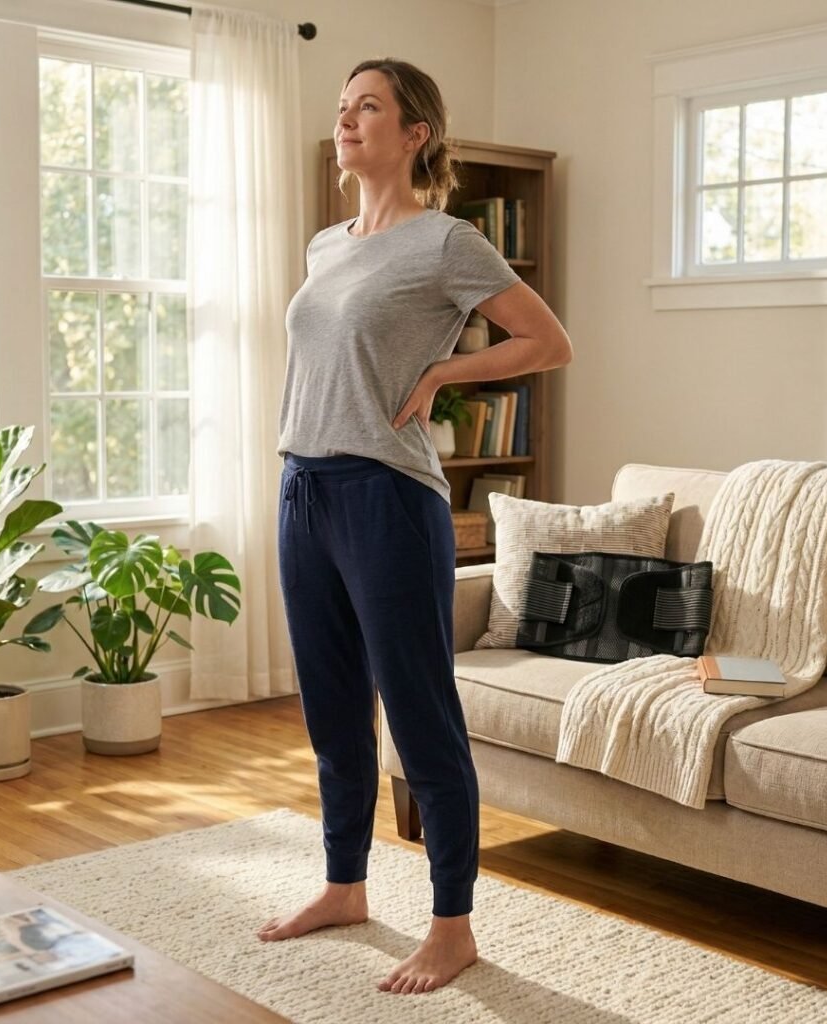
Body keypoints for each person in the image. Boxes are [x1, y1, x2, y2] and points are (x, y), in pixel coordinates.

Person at [261, 57, 573, 995]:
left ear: (414, 134)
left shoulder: (447, 243)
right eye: (344, 106)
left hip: (387, 499)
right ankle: (345, 885)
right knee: (331, 714)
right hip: (302, 489)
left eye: (370, 107)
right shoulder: (326, 245)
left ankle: (452, 924)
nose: (350, 120)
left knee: (421, 714)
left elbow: (547, 343)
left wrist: (440, 375)